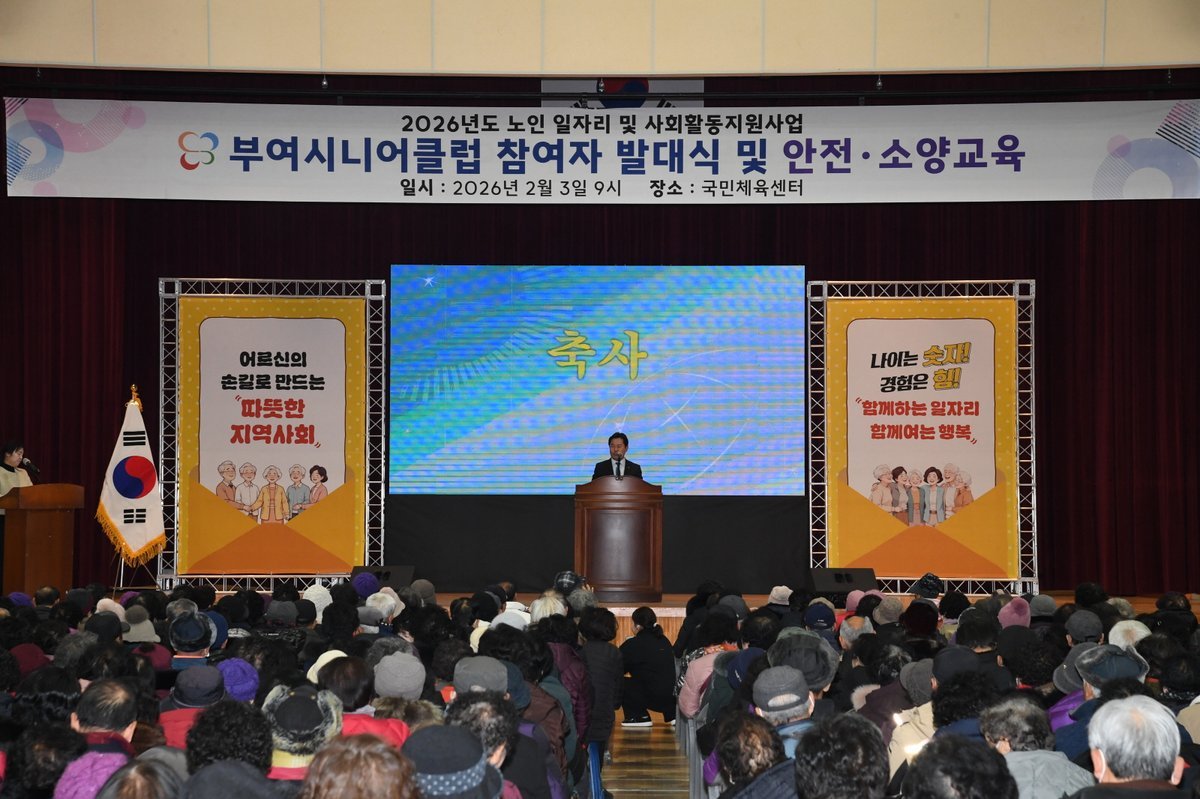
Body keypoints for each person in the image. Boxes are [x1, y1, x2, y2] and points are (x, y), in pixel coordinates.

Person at [0, 440, 33, 579]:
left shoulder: (23, 473)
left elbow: (32, 493)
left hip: (24, 520)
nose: (21, 457)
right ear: (7, 453)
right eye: (18, 453)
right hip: (4, 520)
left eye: (22, 454)